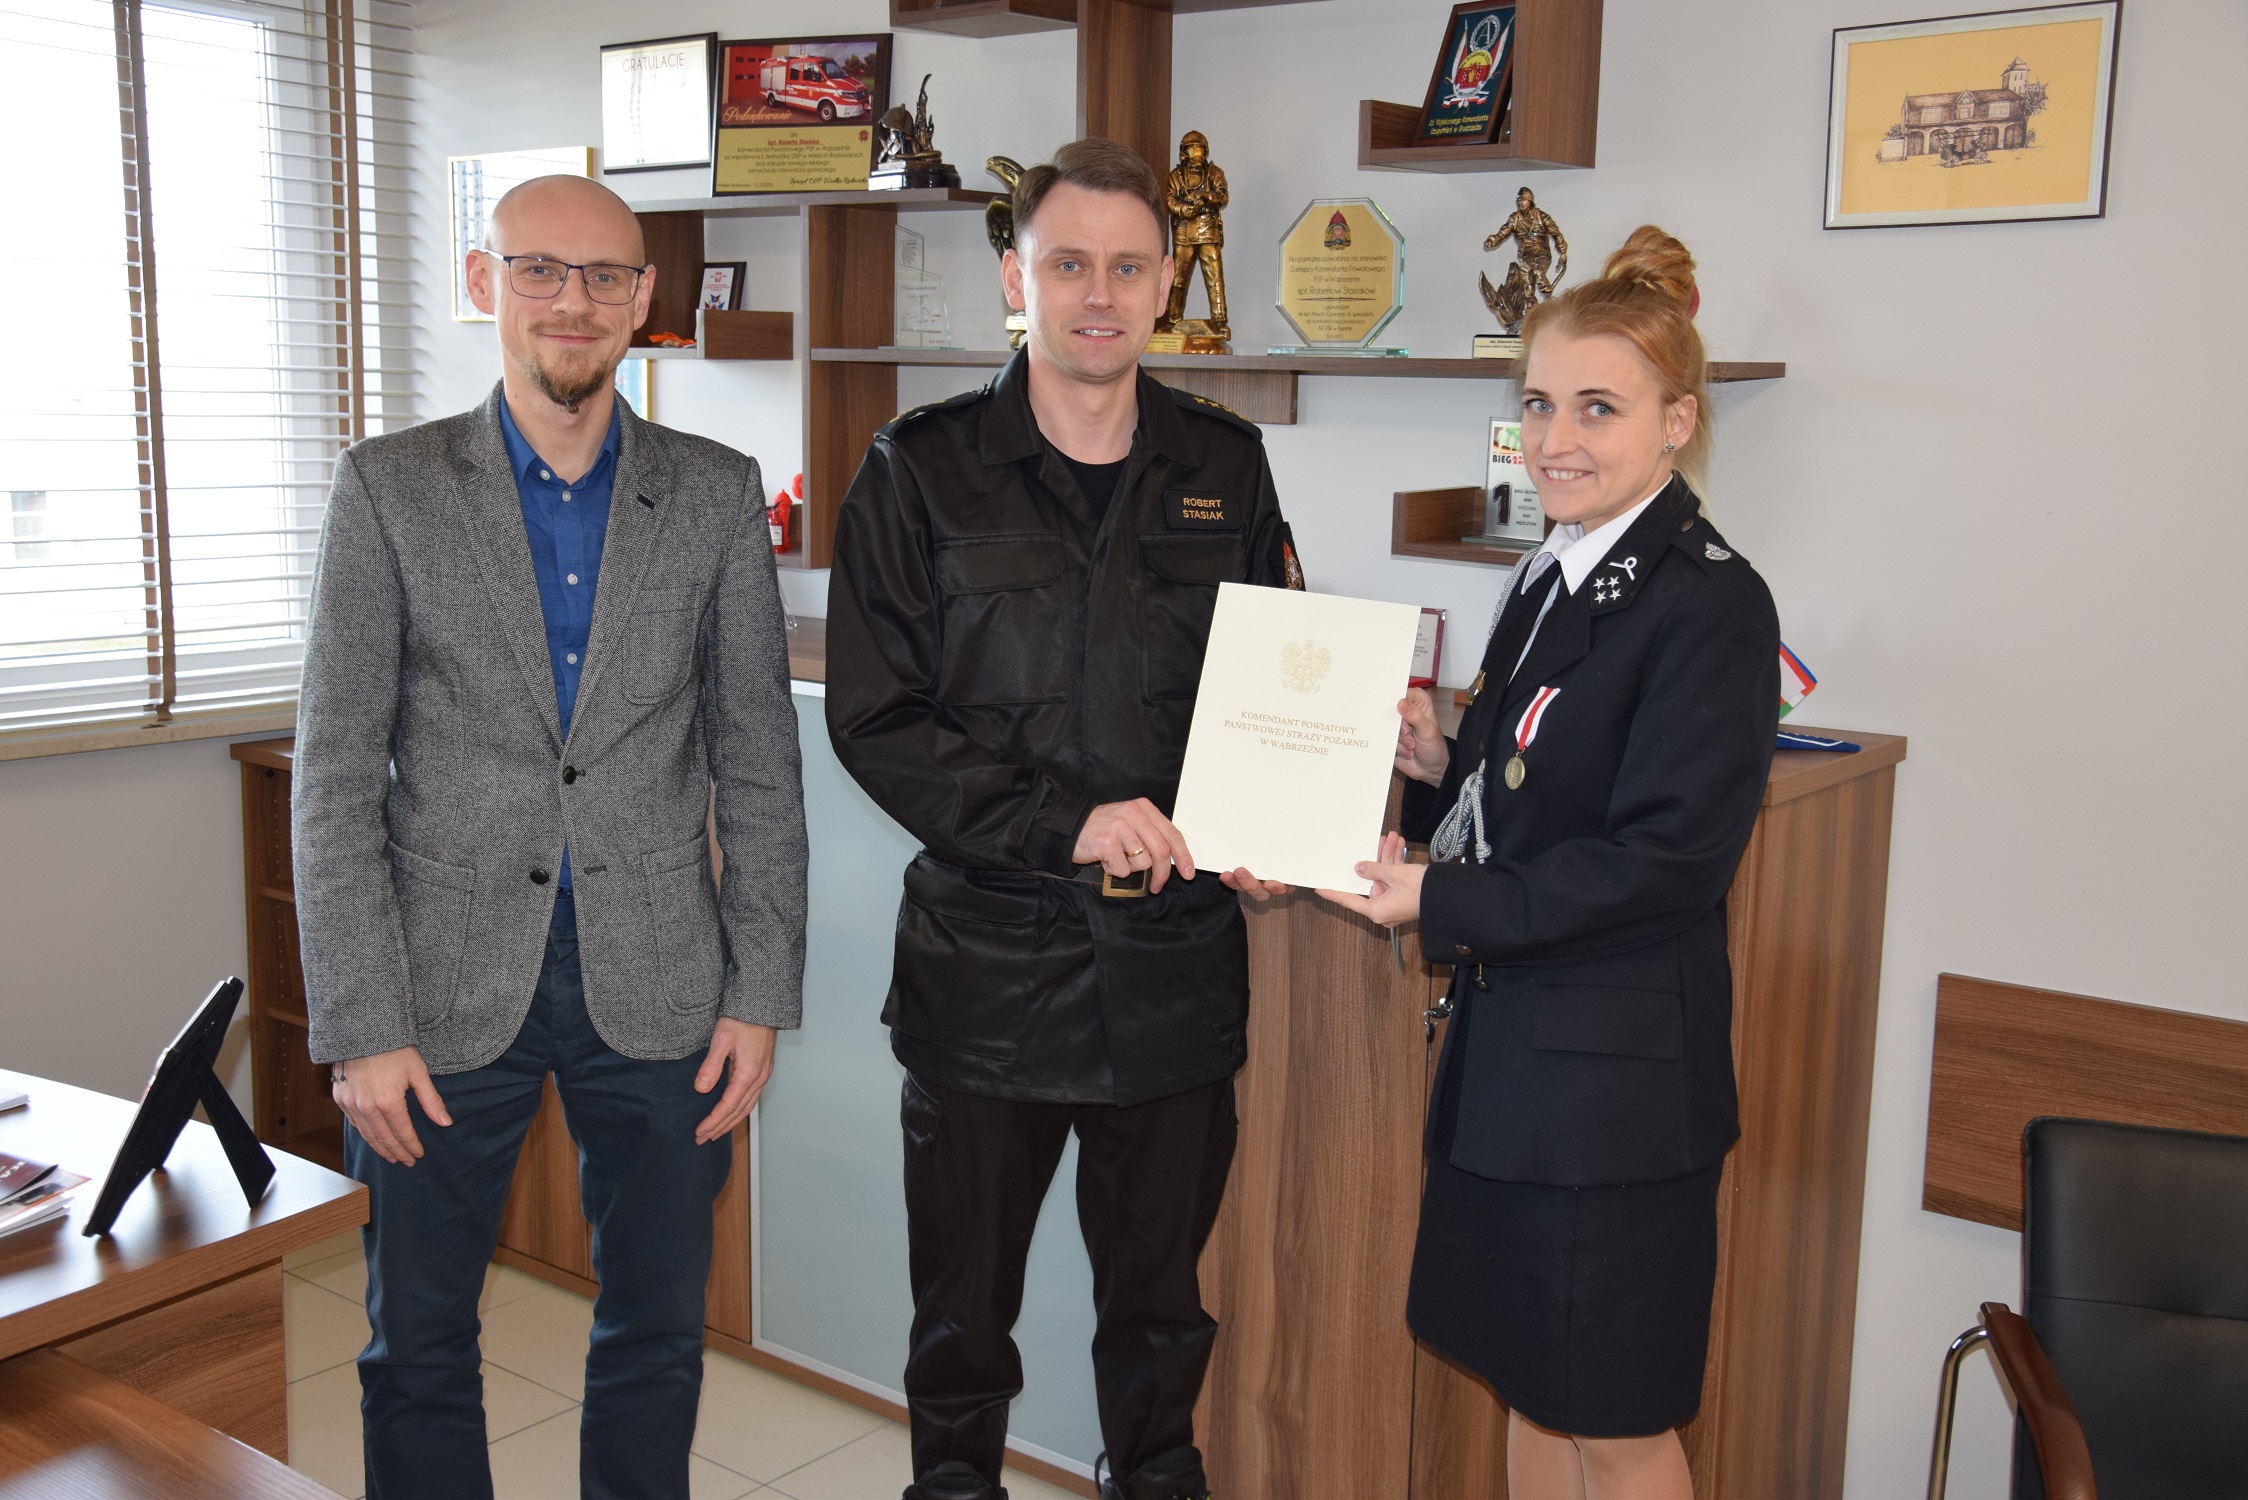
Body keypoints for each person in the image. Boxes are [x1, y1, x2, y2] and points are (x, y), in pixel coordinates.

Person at [292, 174, 808, 1500]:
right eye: (538, 270)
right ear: (485, 284)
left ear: (643, 299)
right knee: (417, 1344)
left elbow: (758, 761)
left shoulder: (714, 492)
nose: (571, 302)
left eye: (603, 276)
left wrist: (759, 992)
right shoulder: (389, 488)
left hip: (664, 982)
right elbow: (334, 779)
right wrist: (359, 1023)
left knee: (656, 1334)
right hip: (435, 990)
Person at [824, 137, 1302, 1500]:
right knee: (962, 1322)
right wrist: (1065, 824)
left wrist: (1275, 819)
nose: (1101, 294)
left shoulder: (1226, 464)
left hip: (1174, 976)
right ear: (1014, 280)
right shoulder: (918, 470)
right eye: (1070, 264)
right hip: (988, 977)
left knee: (1160, 1322)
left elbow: (1265, 687)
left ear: (1164, 285)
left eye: (1129, 267)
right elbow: (878, 718)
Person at [1321, 227, 1779, 1500]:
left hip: (1611, 1101)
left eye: (1597, 407)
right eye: (1536, 403)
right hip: (1515, 1067)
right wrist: (1438, 760)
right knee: (1528, 1381)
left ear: (1676, 422)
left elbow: (1666, 862)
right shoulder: (1551, 569)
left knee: (1617, 1421)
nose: (1555, 438)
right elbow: (1537, 780)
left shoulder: (1708, 599)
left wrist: (1440, 895)